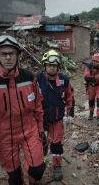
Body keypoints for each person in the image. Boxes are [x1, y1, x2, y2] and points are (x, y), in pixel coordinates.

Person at [0, 35, 45, 185]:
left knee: (37, 169)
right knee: (14, 177)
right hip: (5, 133)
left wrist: (42, 130)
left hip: (29, 129)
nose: (8, 57)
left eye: (12, 53)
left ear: (18, 55)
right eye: (3, 54)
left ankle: (32, 178)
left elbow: (38, 106)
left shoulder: (29, 77)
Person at [37, 50, 74, 181]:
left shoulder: (64, 80)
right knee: (41, 142)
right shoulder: (37, 80)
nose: (51, 67)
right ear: (45, 66)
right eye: (49, 65)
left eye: (54, 65)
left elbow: (70, 97)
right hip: (41, 119)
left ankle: (57, 166)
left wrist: (70, 114)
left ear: (58, 67)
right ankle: (38, 164)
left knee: (56, 143)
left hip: (57, 118)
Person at [84, 53, 99, 126]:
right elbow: (86, 76)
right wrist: (94, 78)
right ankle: (91, 113)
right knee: (91, 100)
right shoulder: (89, 66)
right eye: (95, 61)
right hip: (91, 85)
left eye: (98, 62)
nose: (97, 63)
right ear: (93, 60)